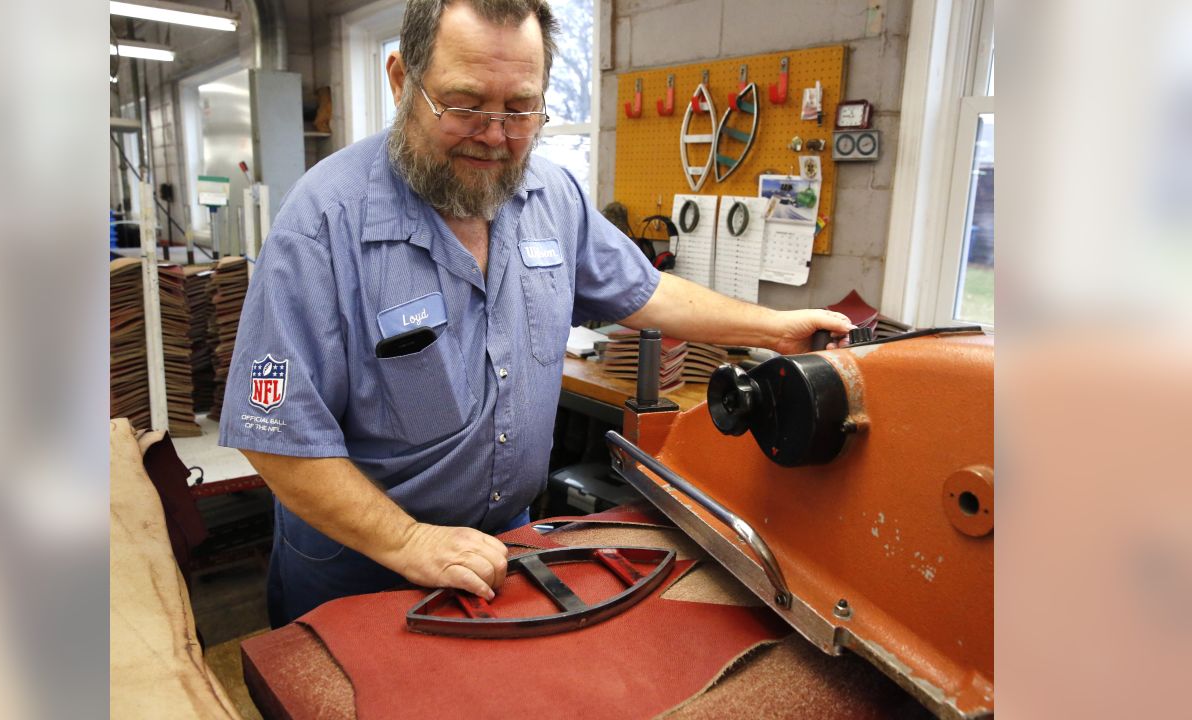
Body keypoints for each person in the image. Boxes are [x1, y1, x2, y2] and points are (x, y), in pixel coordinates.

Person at [219, 0, 854, 628]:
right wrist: (409, 542)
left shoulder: (553, 196)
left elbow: (648, 292)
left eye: (521, 108)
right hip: (360, 569)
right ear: (400, 80)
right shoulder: (322, 225)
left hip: (505, 549)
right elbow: (275, 436)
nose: (495, 135)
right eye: (465, 105)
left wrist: (776, 328)